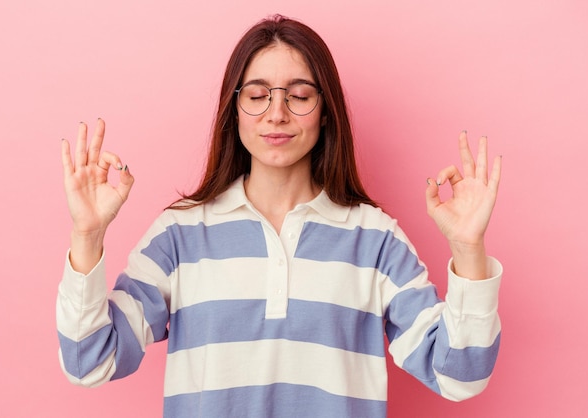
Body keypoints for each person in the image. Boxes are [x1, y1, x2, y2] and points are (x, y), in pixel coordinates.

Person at [57, 15, 502, 418]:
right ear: (234, 109)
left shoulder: (376, 239)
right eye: (256, 95)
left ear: (326, 111)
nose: (276, 113)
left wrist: (468, 251)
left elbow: (458, 376)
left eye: (300, 95)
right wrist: (87, 235)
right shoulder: (180, 234)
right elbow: (90, 361)